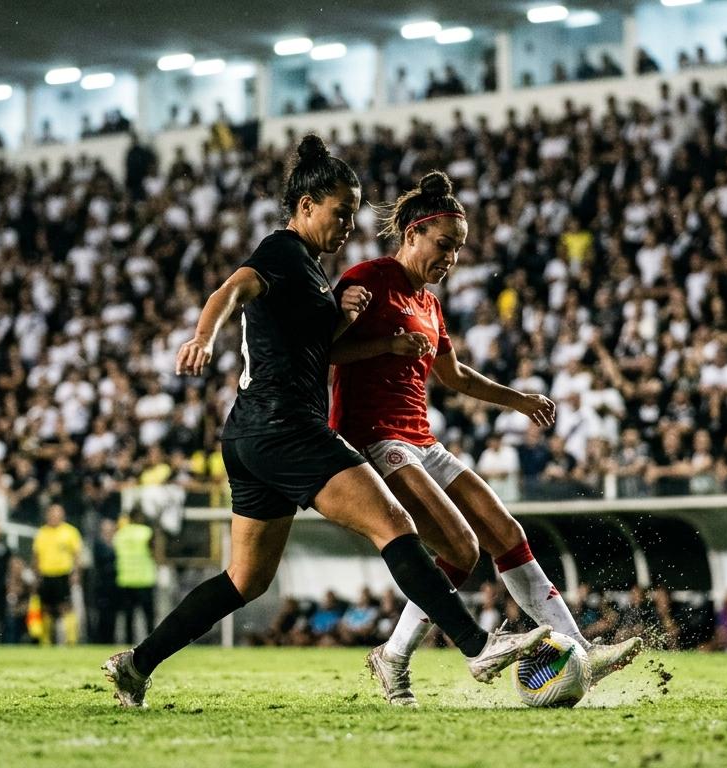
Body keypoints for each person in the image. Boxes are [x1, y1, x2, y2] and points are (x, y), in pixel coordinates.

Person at [102, 135, 550, 709]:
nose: (348, 226)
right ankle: (476, 646)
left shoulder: (313, 273)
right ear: (307, 204)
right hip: (287, 426)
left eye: (353, 215)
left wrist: (355, 325)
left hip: (251, 434)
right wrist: (201, 337)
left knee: (246, 579)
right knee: (392, 521)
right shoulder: (283, 251)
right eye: (341, 213)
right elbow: (231, 288)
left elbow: (320, 352)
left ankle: (136, 665)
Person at [328, 171, 640, 706]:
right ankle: (407, 655)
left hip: (422, 440)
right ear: (410, 234)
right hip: (375, 440)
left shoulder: (428, 303)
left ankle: (578, 648)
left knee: (504, 529)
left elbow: (453, 376)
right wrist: (384, 346)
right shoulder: (367, 279)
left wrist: (519, 400)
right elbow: (324, 351)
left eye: (459, 250)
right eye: (443, 245)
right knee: (459, 549)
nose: (451, 258)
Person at [32, 503, 83, 646]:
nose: (54, 516)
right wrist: (36, 575)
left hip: (63, 574)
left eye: (57, 513)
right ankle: (45, 640)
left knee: (65, 607)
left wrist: (76, 573)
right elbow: (36, 556)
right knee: (46, 608)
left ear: (62, 515)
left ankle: (71, 640)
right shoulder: (42, 532)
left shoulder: (70, 532)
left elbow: (77, 555)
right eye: (52, 513)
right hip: (46, 574)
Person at [113, 508, 157, 644]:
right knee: (148, 617)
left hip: (125, 579)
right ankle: (152, 644)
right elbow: (154, 551)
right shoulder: (146, 532)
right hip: (144, 579)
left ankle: (128, 643)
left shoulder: (120, 534)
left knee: (128, 617)